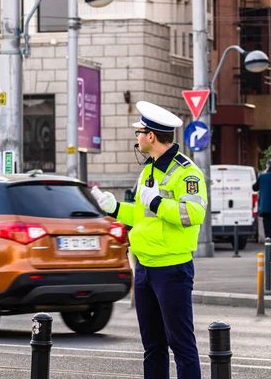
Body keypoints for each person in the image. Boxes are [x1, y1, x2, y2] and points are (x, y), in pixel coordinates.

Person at [91, 101, 206, 379]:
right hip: (144, 268)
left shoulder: (186, 172)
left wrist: (156, 203)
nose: (138, 137)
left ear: (151, 136)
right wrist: (115, 208)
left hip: (172, 269)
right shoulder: (149, 169)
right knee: (152, 346)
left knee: (181, 346)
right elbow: (143, 214)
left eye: (140, 132)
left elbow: (193, 213)